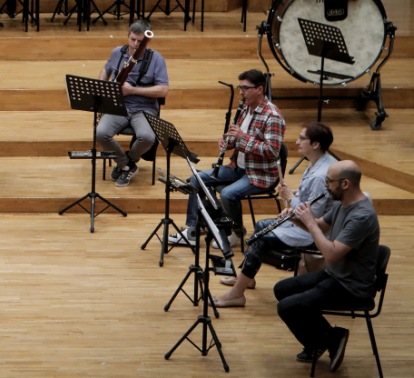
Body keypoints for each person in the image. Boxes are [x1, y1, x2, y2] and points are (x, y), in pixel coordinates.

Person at [211, 122, 338, 308]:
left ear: (315, 144)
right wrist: (294, 197)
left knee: (263, 239)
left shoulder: (321, 174)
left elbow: (312, 216)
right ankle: (246, 278)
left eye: (302, 138)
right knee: (262, 225)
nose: (297, 142)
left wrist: (290, 199)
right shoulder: (319, 163)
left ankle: (237, 294)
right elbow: (310, 198)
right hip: (309, 223)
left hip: (317, 232)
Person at [273, 160, 380, 371]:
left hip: (353, 287)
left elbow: (330, 254)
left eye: (329, 181)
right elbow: (321, 225)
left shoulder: (361, 216)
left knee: (288, 307)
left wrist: (310, 222)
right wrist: (296, 219)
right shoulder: (343, 204)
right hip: (337, 275)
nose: (326, 186)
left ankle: (327, 339)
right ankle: (327, 337)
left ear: (346, 183)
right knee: (282, 290)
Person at [170, 69, 285, 247]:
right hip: (237, 168)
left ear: (260, 89)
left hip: (259, 174)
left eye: (245, 88)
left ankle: (235, 231)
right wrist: (228, 141)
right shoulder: (245, 109)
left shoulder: (273, 116)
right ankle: (193, 230)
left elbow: (272, 151)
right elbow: (235, 138)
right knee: (196, 179)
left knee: (227, 193)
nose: (241, 92)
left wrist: (241, 137)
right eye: (240, 87)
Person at [95, 19, 168, 187]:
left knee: (147, 137)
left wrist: (133, 90)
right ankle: (127, 165)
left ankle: (128, 161)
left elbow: (163, 90)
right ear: (128, 37)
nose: (135, 44)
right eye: (132, 39)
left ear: (147, 41)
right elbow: (106, 70)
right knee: (100, 133)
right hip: (119, 106)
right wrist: (103, 88)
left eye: (140, 41)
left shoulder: (156, 59)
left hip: (145, 109)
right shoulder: (117, 53)